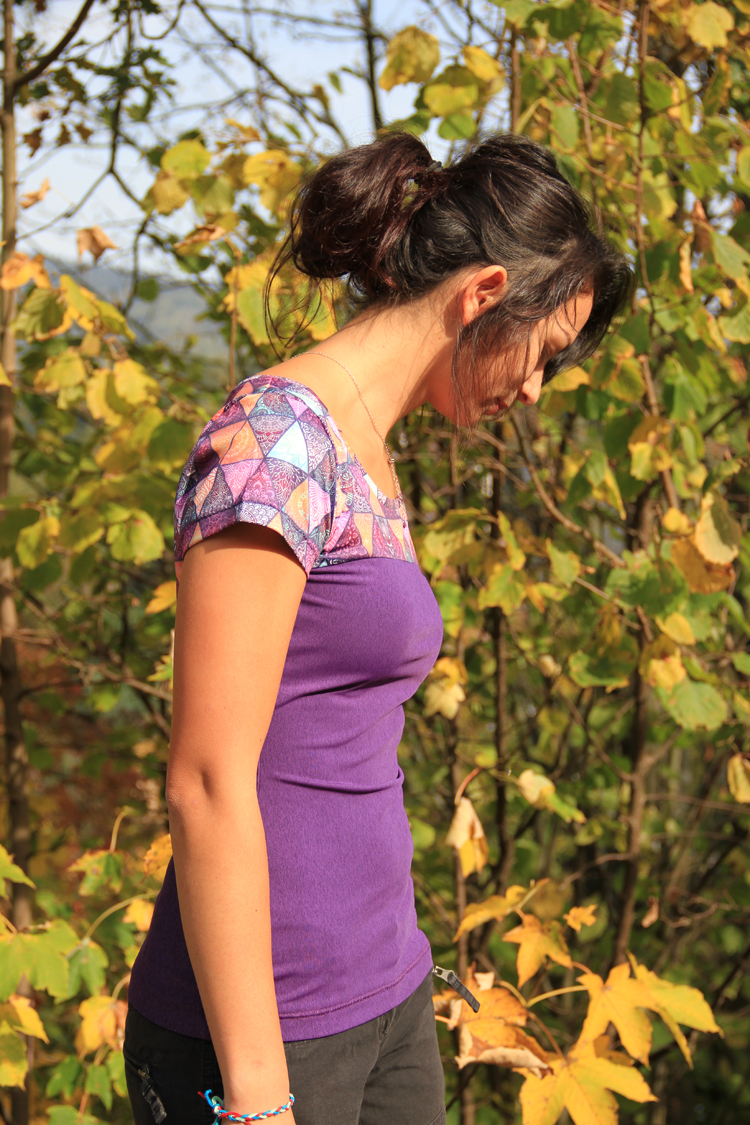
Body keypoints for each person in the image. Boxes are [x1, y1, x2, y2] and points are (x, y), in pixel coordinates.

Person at [124, 131, 632, 1125]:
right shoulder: (275, 443)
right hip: (263, 1037)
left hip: (386, 995)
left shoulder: (366, 448)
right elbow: (206, 781)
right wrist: (259, 1095)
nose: (536, 390)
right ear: (485, 295)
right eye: (545, 354)